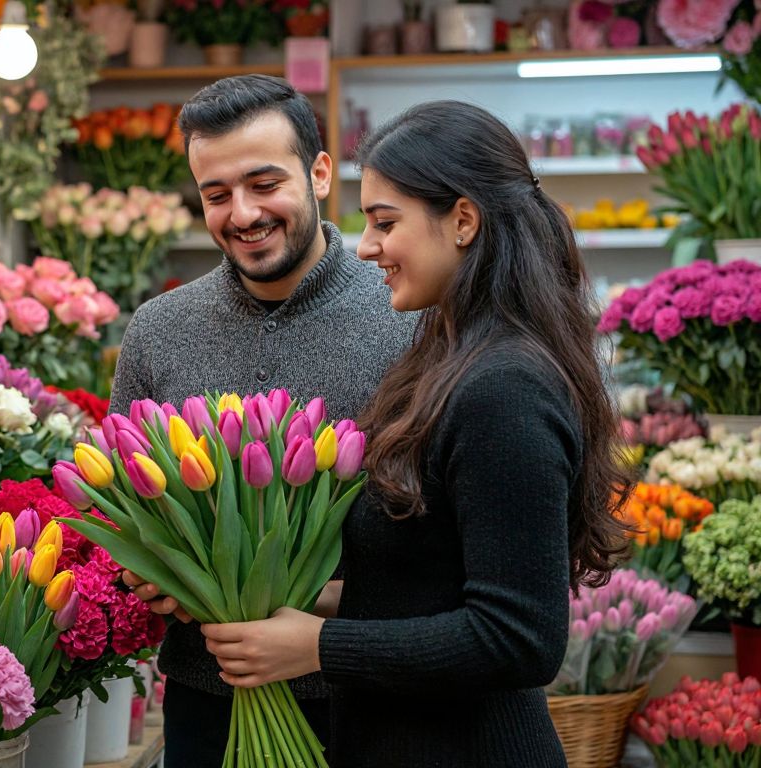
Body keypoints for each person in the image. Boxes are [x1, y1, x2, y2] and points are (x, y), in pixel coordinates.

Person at [196, 100, 633, 766]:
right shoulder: (448, 359)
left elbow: (519, 637)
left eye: (384, 222)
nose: (366, 246)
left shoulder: (503, 388)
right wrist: (302, 593)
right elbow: (434, 580)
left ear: (462, 220)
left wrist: (315, 646)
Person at [108, 74, 416, 767]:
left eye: (264, 183)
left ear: (320, 173)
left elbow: (444, 537)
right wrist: (150, 572)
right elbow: (130, 511)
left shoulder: (407, 315)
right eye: (216, 194)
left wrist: (332, 603)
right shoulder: (159, 330)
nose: (242, 213)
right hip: (205, 702)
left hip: (373, 699)